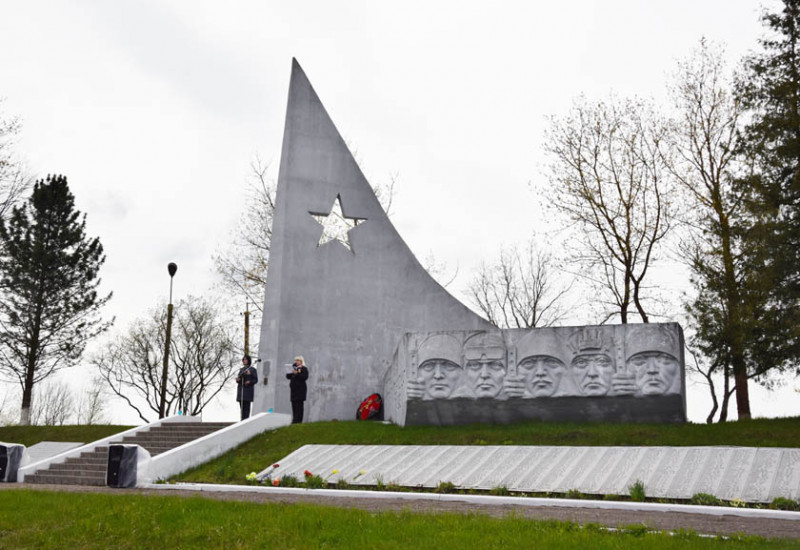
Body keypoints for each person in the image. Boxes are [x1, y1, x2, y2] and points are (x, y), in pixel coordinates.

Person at [286, 355, 309, 424]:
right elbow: (288, 376)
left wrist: (297, 374)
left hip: (300, 390)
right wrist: (290, 372)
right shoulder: (293, 368)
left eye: (298, 360)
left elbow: (304, 377)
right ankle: (294, 420)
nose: (296, 361)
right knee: (294, 405)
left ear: (301, 361)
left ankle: (299, 420)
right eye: (296, 360)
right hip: (294, 390)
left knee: (299, 406)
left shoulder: (304, 368)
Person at [236, 355, 258, 420]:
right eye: (243, 359)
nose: (244, 361)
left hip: (247, 392)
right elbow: (239, 379)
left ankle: (246, 420)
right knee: (242, 409)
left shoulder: (252, 370)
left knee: (246, 409)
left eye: (245, 359)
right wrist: (238, 380)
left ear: (248, 360)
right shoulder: (242, 370)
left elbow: (255, 380)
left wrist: (249, 381)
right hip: (241, 392)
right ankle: (242, 420)